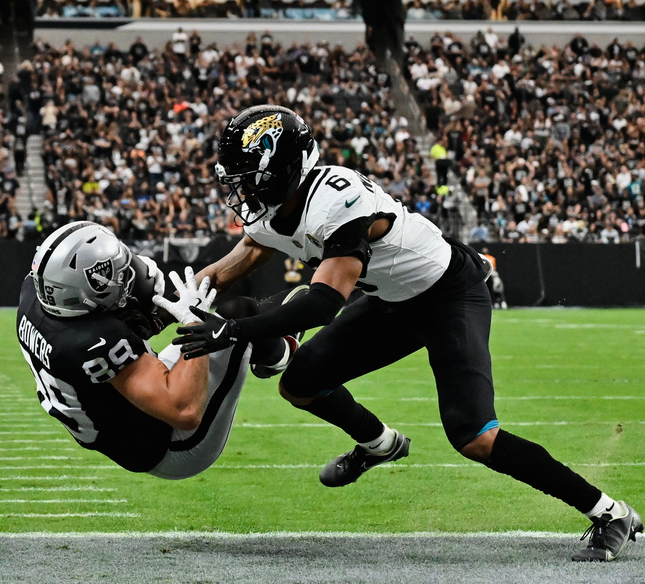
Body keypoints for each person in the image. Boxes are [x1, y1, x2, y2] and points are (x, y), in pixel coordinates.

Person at [174, 104, 641, 561]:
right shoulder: (276, 204)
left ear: (284, 168)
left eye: (248, 177)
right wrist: (201, 286)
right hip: (394, 301)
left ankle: (609, 512)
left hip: (448, 296)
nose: (241, 190)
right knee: (299, 385)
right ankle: (379, 443)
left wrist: (233, 330)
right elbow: (255, 246)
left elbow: (324, 304)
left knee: (473, 436)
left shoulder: (336, 199)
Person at [15, 221, 300, 477]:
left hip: (121, 416)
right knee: (237, 315)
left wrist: (257, 243)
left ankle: (270, 345)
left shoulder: (35, 295)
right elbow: (185, 411)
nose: (126, 275)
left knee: (230, 313)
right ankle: (280, 354)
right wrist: (192, 319)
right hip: (167, 444)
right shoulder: (96, 340)